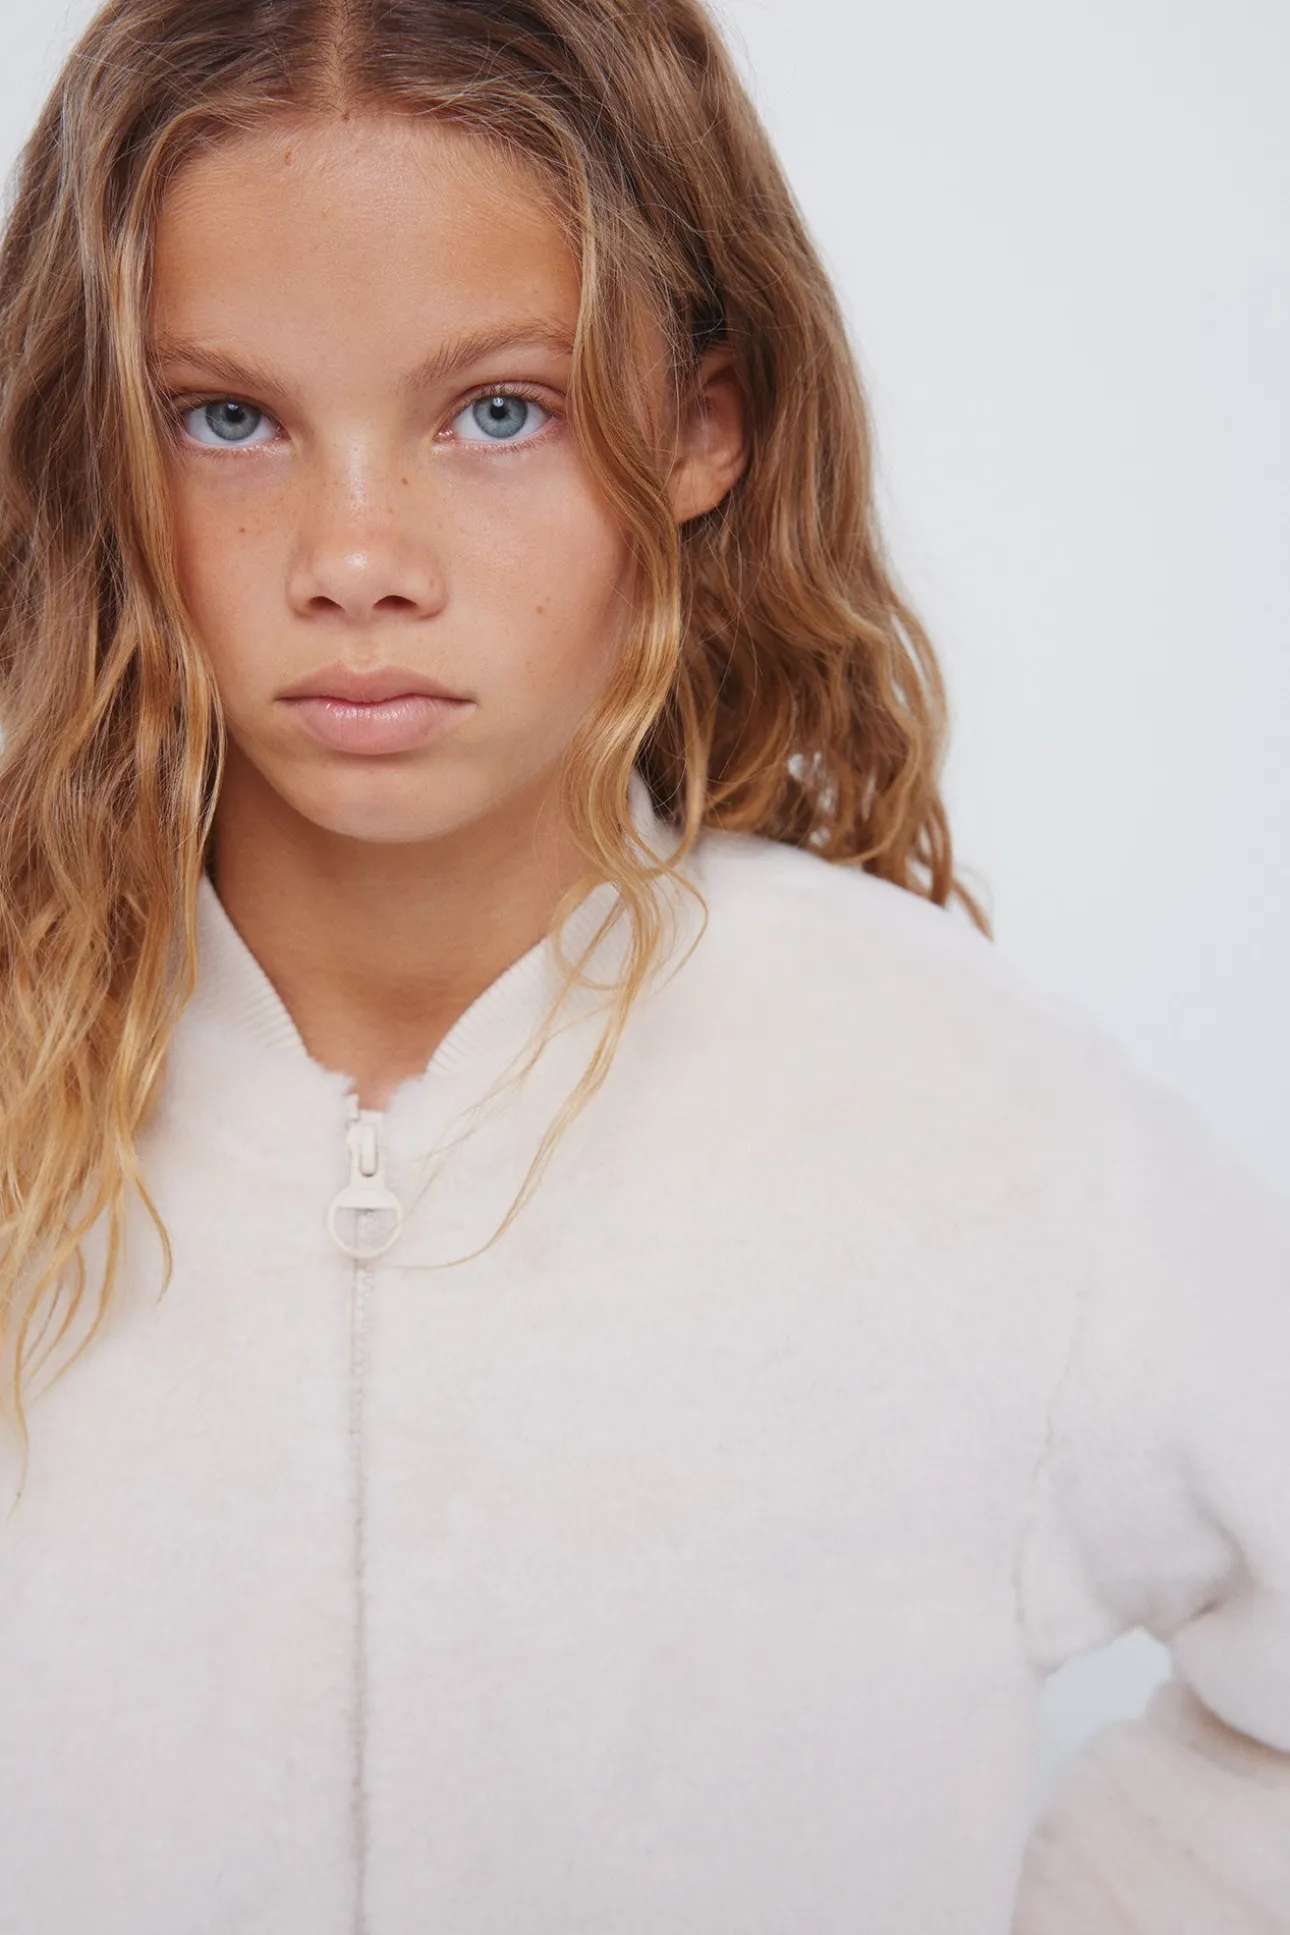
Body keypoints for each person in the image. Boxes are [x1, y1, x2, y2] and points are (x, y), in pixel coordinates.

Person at [0, 1, 1286, 1929]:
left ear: (697, 424)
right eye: (228, 417)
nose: (356, 557)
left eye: (494, 409)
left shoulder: (972, 1119)